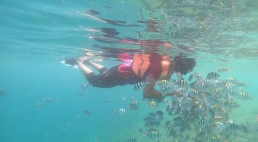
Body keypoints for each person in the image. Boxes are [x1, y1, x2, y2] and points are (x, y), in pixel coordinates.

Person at [67, 53, 196, 99]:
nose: (182, 74)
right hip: (119, 76)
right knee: (95, 82)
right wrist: (170, 93)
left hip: (121, 70)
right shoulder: (158, 69)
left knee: (105, 73)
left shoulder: (168, 65)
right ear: (181, 67)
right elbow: (146, 93)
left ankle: (89, 62)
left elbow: (163, 80)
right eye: (185, 71)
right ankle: (78, 62)